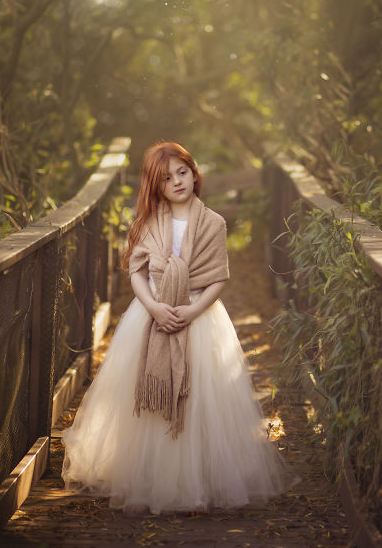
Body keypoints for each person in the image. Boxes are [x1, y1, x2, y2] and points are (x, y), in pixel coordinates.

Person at [61, 141, 289, 514]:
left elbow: (218, 278)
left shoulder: (213, 223)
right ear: (156, 186)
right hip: (152, 314)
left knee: (199, 397)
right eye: (167, 178)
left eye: (182, 172)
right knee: (147, 402)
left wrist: (194, 310)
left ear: (194, 174)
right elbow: (137, 272)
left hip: (199, 317)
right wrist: (153, 307)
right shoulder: (148, 223)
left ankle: (196, 477)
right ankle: (151, 474)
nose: (177, 181)